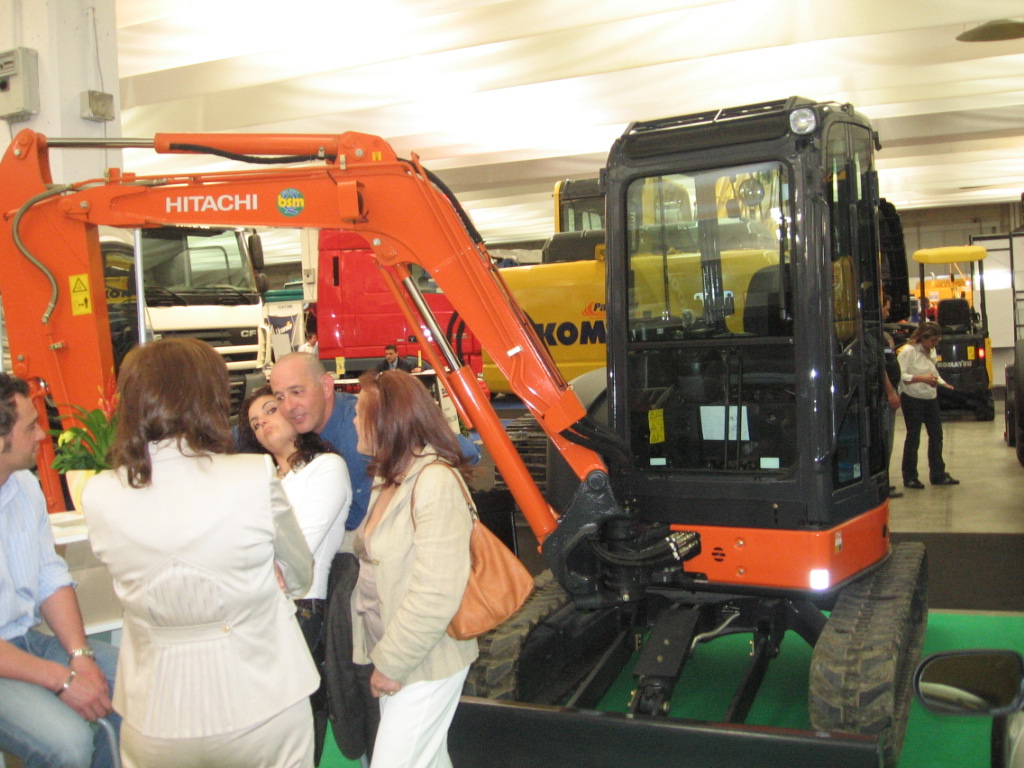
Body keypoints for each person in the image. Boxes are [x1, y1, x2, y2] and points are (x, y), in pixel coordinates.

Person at [82, 338, 319, 768]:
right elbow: (300, 574)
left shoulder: (98, 493)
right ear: (207, 398)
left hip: (155, 711)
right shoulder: (251, 476)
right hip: (264, 698)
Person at [350, 369, 478, 768]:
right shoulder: (390, 477)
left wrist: (391, 664)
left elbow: (437, 591)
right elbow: (371, 542)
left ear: (387, 420)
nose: (353, 419)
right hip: (400, 654)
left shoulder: (434, 481)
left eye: (359, 411)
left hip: (424, 660)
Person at [0, 373, 120, 768]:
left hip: (24, 641)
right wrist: (62, 679)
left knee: (139, 687)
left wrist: (80, 656)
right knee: (66, 744)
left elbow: (51, 577)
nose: (41, 437)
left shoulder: (24, 487)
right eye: (31, 426)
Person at [238, 385, 352, 762]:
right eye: (255, 423)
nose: (263, 424)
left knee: (294, 728)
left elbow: (298, 550)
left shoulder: (326, 468)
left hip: (301, 608)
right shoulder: (267, 481)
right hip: (263, 610)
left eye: (270, 410)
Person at [269, 353, 479, 552]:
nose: (288, 406)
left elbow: (467, 451)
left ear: (325, 386)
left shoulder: (370, 425)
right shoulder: (293, 435)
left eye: (297, 392)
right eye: (279, 397)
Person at [897, 321, 959, 489]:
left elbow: (933, 371)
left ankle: (938, 474)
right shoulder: (907, 352)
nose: (935, 344)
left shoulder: (931, 351)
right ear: (922, 338)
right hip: (912, 398)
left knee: (936, 435)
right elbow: (900, 375)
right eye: (933, 341)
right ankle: (910, 477)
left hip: (930, 397)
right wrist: (922, 378)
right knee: (913, 437)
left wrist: (942, 383)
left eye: (937, 341)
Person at [881, 294, 903, 498]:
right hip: (885, 398)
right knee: (884, 440)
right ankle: (882, 485)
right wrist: (890, 392)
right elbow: (881, 368)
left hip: (890, 395)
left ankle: (885, 481)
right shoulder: (875, 336)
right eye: (886, 308)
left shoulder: (884, 334)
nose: (888, 313)